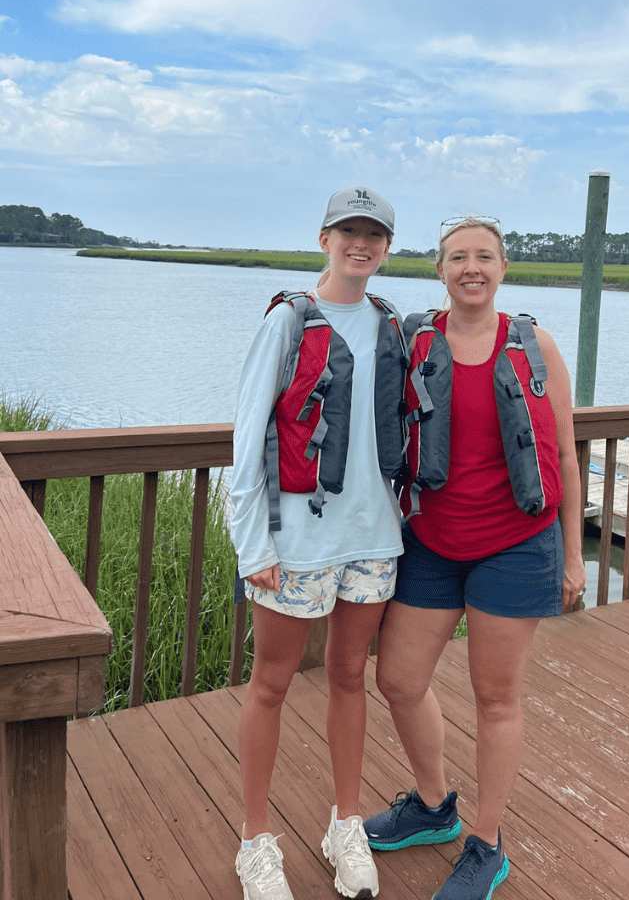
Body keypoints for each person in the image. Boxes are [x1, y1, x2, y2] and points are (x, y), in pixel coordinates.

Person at [363, 216, 586, 900]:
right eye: (457, 256)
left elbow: (567, 456)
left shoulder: (534, 344)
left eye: (483, 256)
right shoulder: (414, 339)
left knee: (496, 698)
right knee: (398, 679)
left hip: (517, 544)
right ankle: (434, 806)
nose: (471, 267)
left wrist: (573, 556)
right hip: (432, 539)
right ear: (439, 270)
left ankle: (486, 845)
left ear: (503, 267)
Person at [230, 186, 406, 900]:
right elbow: (246, 436)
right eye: (347, 231)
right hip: (295, 540)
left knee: (348, 679)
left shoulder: (392, 325)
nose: (360, 244)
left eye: (373, 234)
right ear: (324, 238)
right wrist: (254, 545)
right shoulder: (288, 321)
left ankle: (346, 824)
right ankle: (254, 841)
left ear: (387, 247)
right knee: (270, 684)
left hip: (373, 539)